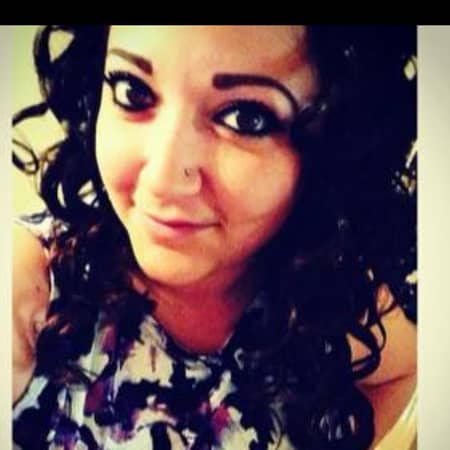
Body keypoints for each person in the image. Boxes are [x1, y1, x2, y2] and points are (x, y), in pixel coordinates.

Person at [12, 26, 417, 450]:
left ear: (332, 141)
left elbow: (402, 372)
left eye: (245, 118)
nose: (163, 179)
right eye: (133, 91)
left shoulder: (328, 292)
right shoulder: (35, 284)